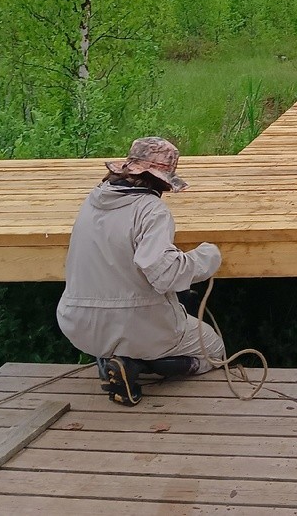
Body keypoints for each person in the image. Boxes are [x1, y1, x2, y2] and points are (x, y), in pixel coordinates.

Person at [57, 136, 225, 406]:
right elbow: (165, 274)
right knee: (214, 351)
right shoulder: (152, 210)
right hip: (138, 326)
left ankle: (111, 361)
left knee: (116, 332)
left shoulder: (92, 200)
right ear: (160, 180)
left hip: (78, 323)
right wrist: (207, 257)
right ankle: (135, 366)